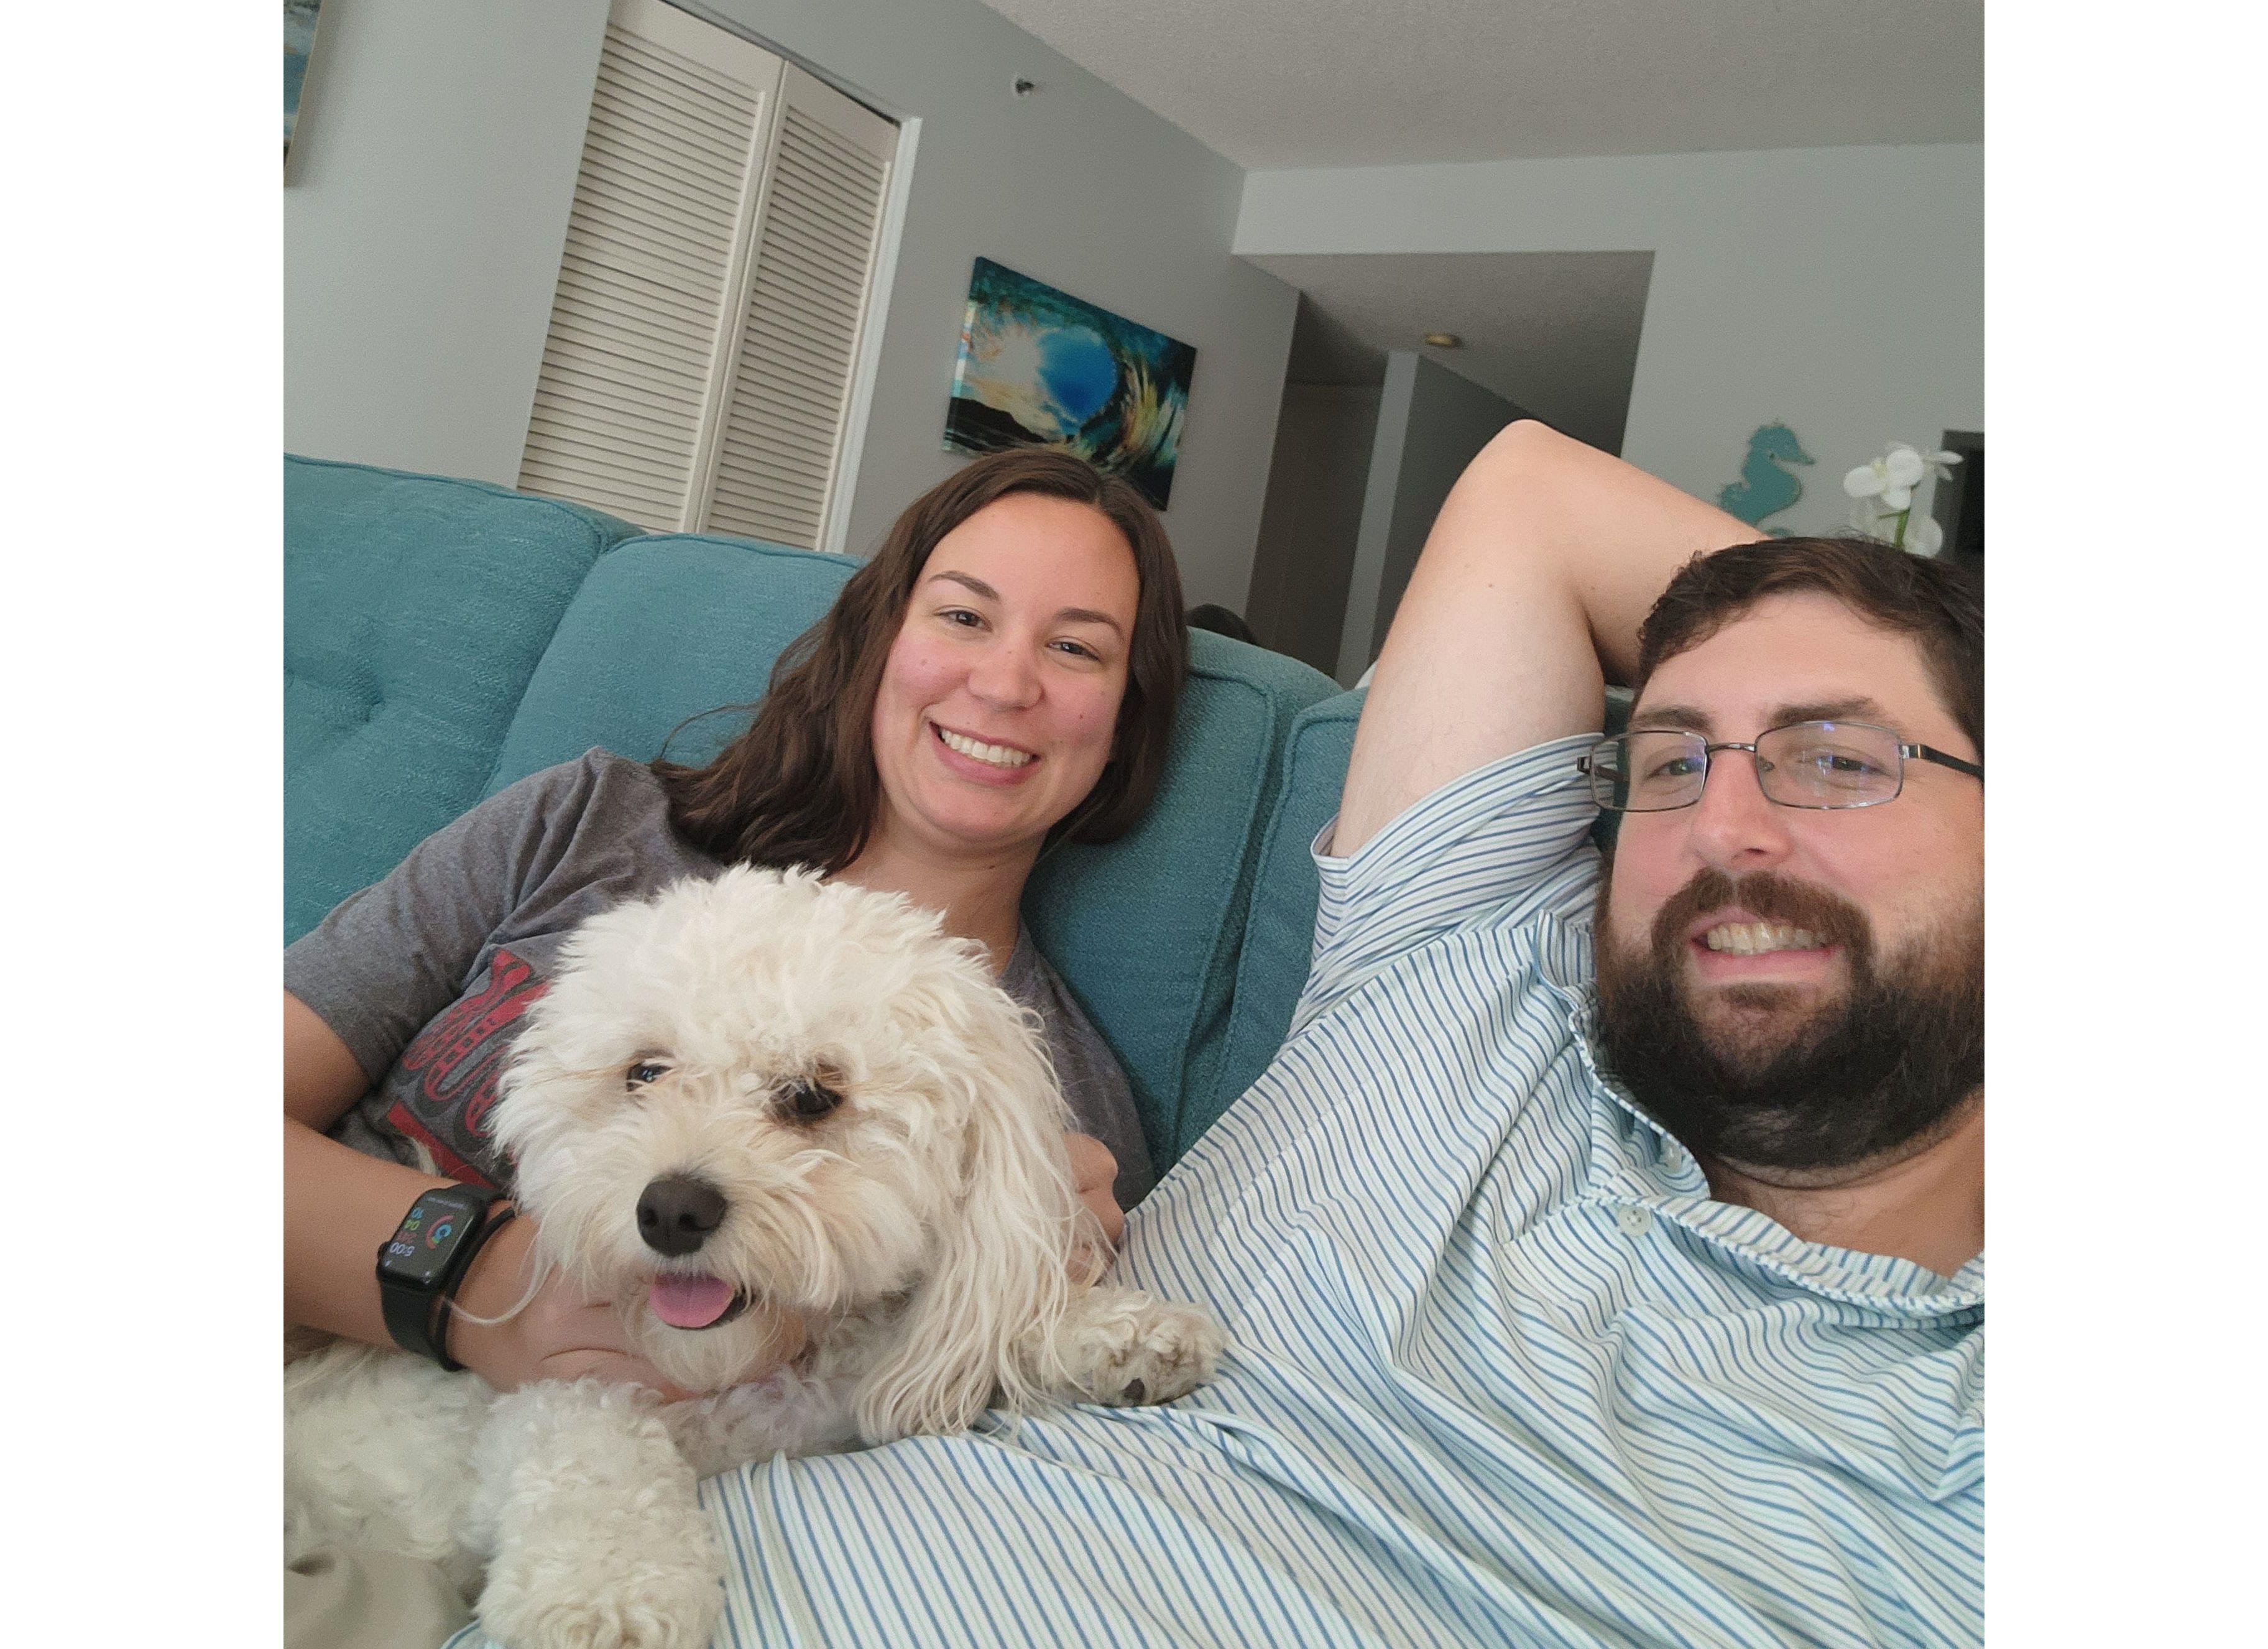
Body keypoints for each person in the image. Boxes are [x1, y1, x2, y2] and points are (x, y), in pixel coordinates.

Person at [666, 418, 1983, 1648]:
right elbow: (1529, 495)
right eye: (1672, 762)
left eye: (1839, 760)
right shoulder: (1465, 963)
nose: (1723, 830)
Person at [285, 446, 1186, 1453]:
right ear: (880, 638)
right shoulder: (587, 822)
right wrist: (477, 1282)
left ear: (1126, 721)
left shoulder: (1065, 1114)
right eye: (964, 617)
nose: (1007, 682)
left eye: (1076, 648)